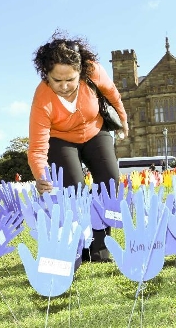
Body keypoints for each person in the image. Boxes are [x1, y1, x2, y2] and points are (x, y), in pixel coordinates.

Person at [27, 30, 129, 263]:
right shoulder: (42, 98)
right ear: (47, 76)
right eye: (57, 80)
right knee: (74, 191)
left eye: (70, 80)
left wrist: (123, 119)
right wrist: (42, 177)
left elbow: (113, 94)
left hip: (95, 131)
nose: (64, 86)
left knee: (109, 183)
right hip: (61, 140)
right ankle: (81, 245)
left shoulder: (93, 70)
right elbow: (37, 147)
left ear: (80, 72)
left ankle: (100, 248)